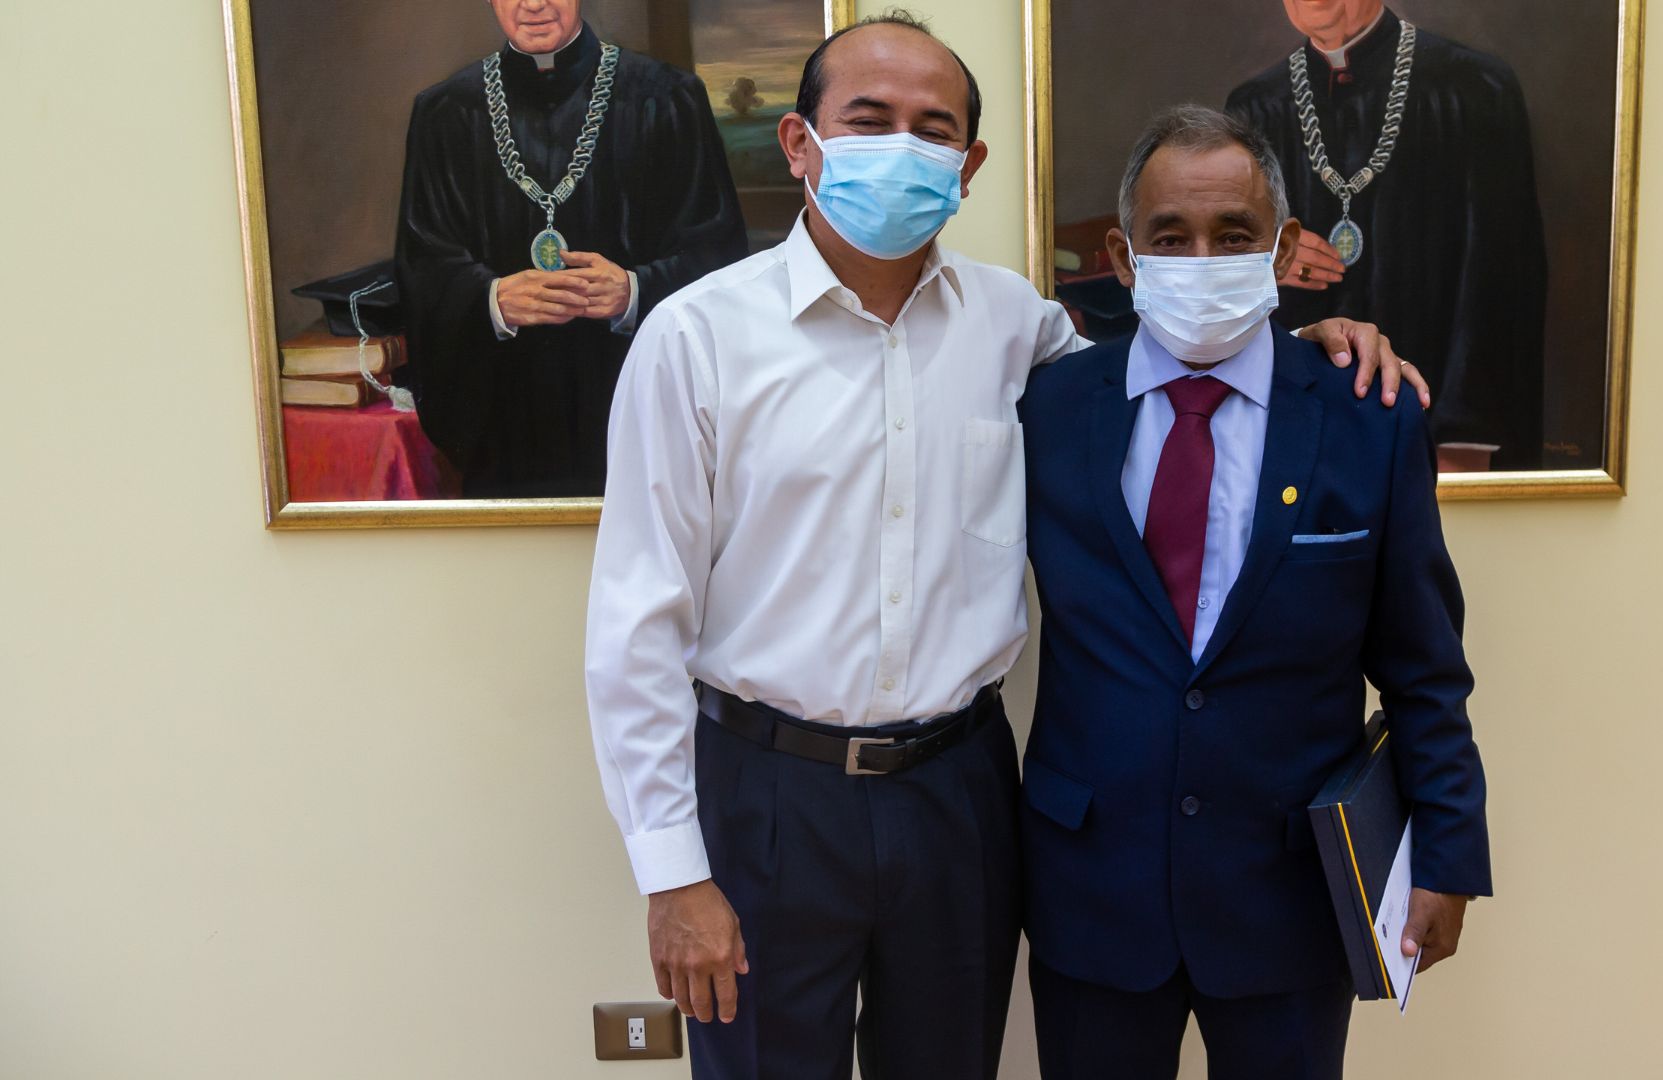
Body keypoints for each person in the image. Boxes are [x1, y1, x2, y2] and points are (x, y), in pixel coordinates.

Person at [584, 14, 1421, 1080]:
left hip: (959, 794)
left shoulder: (1018, 328)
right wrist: (672, 874)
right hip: (770, 794)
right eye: (869, 120)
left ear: (969, 166)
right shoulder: (697, 339)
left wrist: (1307, 348)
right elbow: (635, 625)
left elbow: (1175, 371)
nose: (903, 147)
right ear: (801, 142)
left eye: (933, 129)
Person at [1018, 106, 1490, 1079]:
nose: (1203, 259)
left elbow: (1424, 665)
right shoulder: (1049, 409)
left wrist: (1447, 851)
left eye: (1234, 235)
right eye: (1170, 238)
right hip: (1092, 887)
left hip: (1288, 896)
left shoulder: (1368, 418)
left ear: (1282, 249)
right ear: (1123, 256)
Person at [395, 0, 747, 498]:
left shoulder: (667, 97)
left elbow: (719, 255)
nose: (533, 3)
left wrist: (635, 290)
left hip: (637, 410)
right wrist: (491, 300)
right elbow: (422, 265)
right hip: (505, 422)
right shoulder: (446, 111)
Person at [1227, 0, 1547, 471]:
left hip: (1436, 428)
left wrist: (1465, 438)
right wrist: (1259, 261)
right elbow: (1219, 273)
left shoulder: (1474, 87)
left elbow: (1502, 279)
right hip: (1298, 432)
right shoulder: (1255, 106)